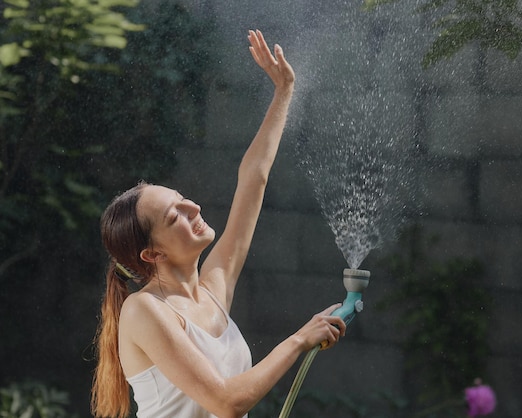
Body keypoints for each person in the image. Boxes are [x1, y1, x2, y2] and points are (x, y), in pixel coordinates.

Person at [91, 30, 346, 418]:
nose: (193, 207)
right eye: (175, 215)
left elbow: (253, 178)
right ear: (152, 252)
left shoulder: (213, 289)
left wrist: (283, 92)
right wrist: (298, 340)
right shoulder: (144, 311)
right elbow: (226, 402)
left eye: (182, 198)